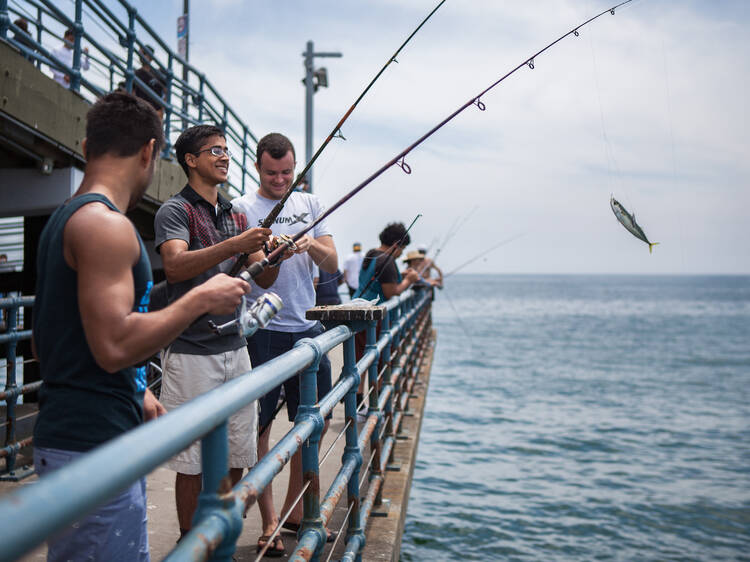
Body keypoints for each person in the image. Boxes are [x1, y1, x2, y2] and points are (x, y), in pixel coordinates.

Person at [31, 92, 252, 562]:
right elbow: (113, 345)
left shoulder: (65, 218)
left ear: (88, 145)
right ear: (151, 151)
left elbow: (49, 339)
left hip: (73, 435)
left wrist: (137, 390)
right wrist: (198, 300)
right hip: (95, 446)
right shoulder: (106, 226)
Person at [154, 124, 279, 541]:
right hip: (191, 352)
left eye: (226, 151)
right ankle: (190, 541)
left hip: (236, 346)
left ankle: (219, 537)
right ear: (190, 160)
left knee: (238, 452)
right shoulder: (175, 210)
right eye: (214, 151)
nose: (224, 157)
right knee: (190, 461)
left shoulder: (236, 214)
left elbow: (262, 278)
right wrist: (234, 245)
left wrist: (274, 254)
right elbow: (175, 266)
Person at [232, 132, 339, 555]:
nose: (280, 180)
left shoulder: (310, 205)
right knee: (259, 429)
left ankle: (297, 511)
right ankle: (270, 522)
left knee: (315, 421)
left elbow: (330, 262)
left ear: (296, 170)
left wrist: (310, 243)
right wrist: (271, 253)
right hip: (263, 332)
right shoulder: (242, 208)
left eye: (288, 172)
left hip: (307, 330)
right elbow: (252, 270)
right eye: (272, 172)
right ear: (258, 167)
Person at [353, 223, 419, 418]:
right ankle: (375, 406)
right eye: (402, 249)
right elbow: (392, 292)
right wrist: (409, 281)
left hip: (358, 309)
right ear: (396, 244)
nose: (401, 254)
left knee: (360, 360)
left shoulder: (372, 254)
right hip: (375, 316)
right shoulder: (388, 260)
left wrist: (401, 276)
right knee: (380, 361)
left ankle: (357, 405)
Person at [133, 45, 166, 119]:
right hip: (141, 112)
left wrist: (161, 110)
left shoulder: (159, 73)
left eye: (144, 53)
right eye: (140, 53)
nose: (141, 56)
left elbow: (166, 92)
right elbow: (132, 92)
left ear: (151, 56)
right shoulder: (136, 73)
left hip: (156, 112)